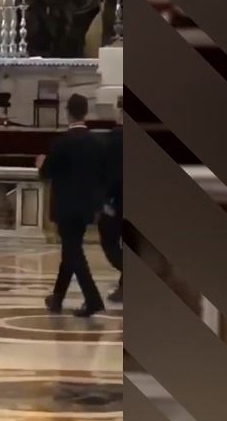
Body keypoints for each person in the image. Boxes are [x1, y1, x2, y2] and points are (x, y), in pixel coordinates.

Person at [37, 94, 107, 317]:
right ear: (86, 112)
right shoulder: (97, 143)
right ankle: (57, 298)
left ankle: (93, 299)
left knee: (73, 252)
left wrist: (41, 164)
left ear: (68, 113)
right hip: (86, 206)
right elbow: (102, 175)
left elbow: (46, 173)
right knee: (71, 251)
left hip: (66, 206)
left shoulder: (61, 142)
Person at [98, 97, 123, 302]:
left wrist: (105, 200)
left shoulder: (111, 140)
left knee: (109, 241)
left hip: (116, 201)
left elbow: (105, 173)